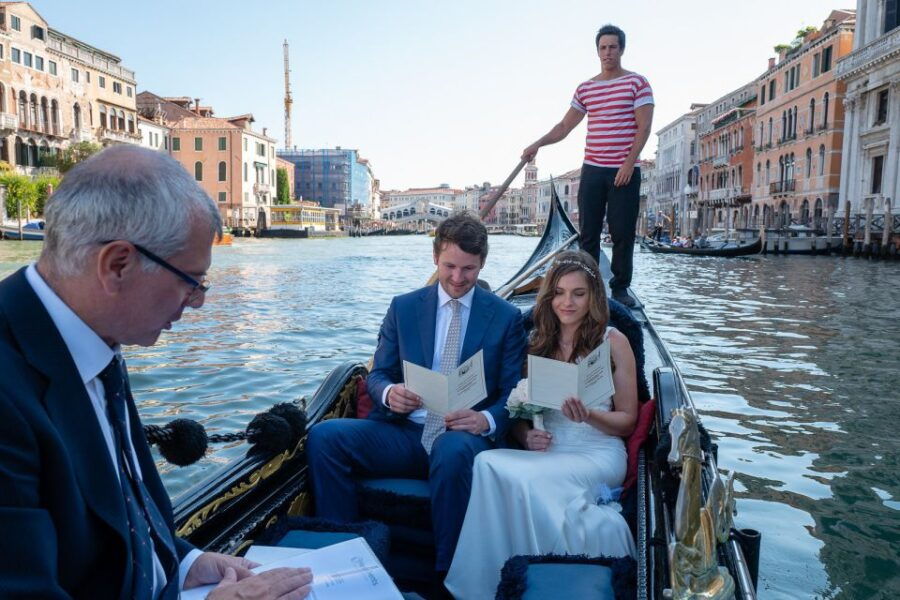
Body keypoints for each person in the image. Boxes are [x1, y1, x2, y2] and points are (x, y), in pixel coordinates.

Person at [0, 146, 312, 600]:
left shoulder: (94, 334)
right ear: (117, 265)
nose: (199, 301)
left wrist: (184, 561)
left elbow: (118, 512)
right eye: (191, 280)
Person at [307, 213, 527, 577]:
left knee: (451, 448)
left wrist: (484, 419)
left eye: (468, 269)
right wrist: (391, 393)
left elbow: (512, 393)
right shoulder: (404, 307)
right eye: (450, 266)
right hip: (404, 433)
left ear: (483, 263)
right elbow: (378, 374)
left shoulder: (506, 318)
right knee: (324, 438)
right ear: (435, 258)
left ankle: (448, 576)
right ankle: (345, 556)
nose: (457, 279)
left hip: (462, 439)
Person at [445, 250, 638, 599]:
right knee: (487, 463)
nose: (568, 302)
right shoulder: (538, 344)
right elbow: (520, 412)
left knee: (526, 477)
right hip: (551, 450)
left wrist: (589, 415)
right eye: (560, 293)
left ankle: (545, 574)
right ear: (548, 297)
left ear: (593, 297)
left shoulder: (613, 342)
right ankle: (487, 587)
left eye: (578, 294)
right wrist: (525, 435)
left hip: (598, 451)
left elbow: (627, 422)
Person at [522, 24, 654, 308]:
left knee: (622, 232)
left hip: (624, 169)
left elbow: (644, 128)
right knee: (589, 233)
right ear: (597, 51)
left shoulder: (637, 83)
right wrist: (538, 143)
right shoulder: (586, 88)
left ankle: (620, 289)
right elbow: (564, 126)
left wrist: (629, 165)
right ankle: (591, 286)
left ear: (621, 49)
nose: (608, 52)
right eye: (603, 48)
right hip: (592, 169)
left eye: (613, 47)